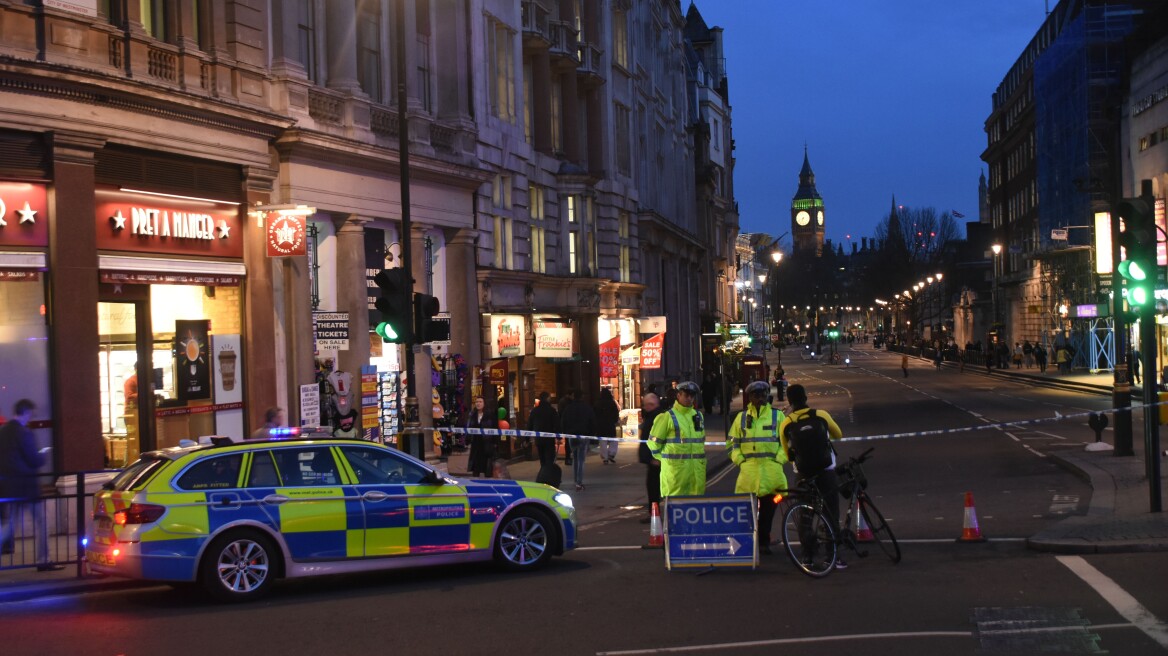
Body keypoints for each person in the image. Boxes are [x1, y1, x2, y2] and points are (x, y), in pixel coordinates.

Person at [778, 384, 846, 569]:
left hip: (803, 473)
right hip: (826, 470)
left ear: (790, 401)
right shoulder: (821, 415)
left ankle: (806, 557)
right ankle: (832, 557)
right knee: (831, 513)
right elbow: (838, 434)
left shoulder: (786, 423)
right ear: (806, 397)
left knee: (805, 515)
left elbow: (786, 453)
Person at [0, 399, 62, 571]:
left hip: (10, 487)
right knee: (42, 522)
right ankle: (43, 560)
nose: (31, 417)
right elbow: (34, 460)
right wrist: (43, 455)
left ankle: (44, 560)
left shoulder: (3, 432)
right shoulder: (24, 433)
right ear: (26, 412)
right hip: (27, 488)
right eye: (31, 414)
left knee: (8, 525)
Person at [727, 381, 787, 554]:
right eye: (755, 395)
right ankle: (749, 543)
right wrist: (740, 461)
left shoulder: (778, 416)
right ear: (750, 397)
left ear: (767, 395)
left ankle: (763, 542)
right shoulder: (741, 418)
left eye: (762, 395)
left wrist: (779, 459)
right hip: (748, 474)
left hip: (772, 474)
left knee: (769, 511)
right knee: (747, 513)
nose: (759, 398)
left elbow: (787, 442)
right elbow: (732, 444)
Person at [647, 380, 706, 497]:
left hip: (696, 475)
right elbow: (653, 444)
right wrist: (665, 459)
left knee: (696, 511)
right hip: (676, 476)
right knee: (675, 511)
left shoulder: (698, 416)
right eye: (686, 395)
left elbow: (700, 443)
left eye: (692, 396)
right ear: (678, 395)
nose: (689, 398)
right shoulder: (666, 417)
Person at [560, 390, 597, 490]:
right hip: (583, 435)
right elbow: (592, 422)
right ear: (582, 397)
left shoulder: (568, 408)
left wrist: (565, 433)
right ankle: (579, 481)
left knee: (575, 458)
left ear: (573, 397)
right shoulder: (587, 408)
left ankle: (576, 480)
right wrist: (591, 435)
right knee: (581, 459)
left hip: (572, 436)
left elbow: (563, 421)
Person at [637, 392, 664, 523]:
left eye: (648, 405)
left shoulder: (657, 417)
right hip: (652, 460)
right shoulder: (652, 416)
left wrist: (656, 458)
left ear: (653, 404)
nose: (645, 407)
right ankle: (654, 513)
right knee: (653, 487)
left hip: (656, 460)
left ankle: (654, 514)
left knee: (654, 488)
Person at [466, 396, 497, 478]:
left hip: (486, 442)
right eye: (476, 402)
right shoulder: (472, 414)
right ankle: (476, 478)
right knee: (476, 463)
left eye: (480, 402)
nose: (478, 403)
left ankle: (487, 478)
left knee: (487, 463)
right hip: (476, 442)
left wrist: (495, 442)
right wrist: (468, 439)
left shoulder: (490, 414)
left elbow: (494, 428)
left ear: (484, 403)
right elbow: (469, 427)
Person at [528, 391, 560, 467]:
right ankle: (548, 474)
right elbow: (557, 424)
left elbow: (530, 425)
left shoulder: (534, 411)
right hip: (549, 439)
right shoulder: (552, 410)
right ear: (548, 398)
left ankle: (543, 473)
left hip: (539, 439)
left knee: (542, 459)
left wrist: (527, 438)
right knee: (549, 458)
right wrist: (559, 436)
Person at [594, 388, 621, 465]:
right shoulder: (611, 403)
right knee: (613, 439)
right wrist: (615, 421)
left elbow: (595, 414)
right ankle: (611, 454)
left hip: (600, 425)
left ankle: (604, 457)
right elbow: (616, 413)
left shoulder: (598, 403)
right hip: (610, 424)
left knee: (602, 441)